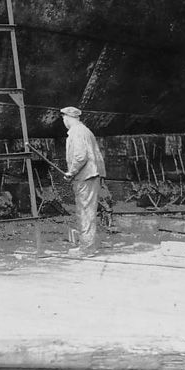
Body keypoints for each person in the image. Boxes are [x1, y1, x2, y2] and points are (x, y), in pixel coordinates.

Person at [60, 105, 107, 257]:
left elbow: (80, 156)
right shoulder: (85, 130)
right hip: (90, 175)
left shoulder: (77, 132)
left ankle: (86, 249)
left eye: (64, 118)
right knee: (87, 211)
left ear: (68, 118)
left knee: (85, 211)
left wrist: (71, 172)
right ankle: (87, 245)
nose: (63, 121)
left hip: (85, 176)